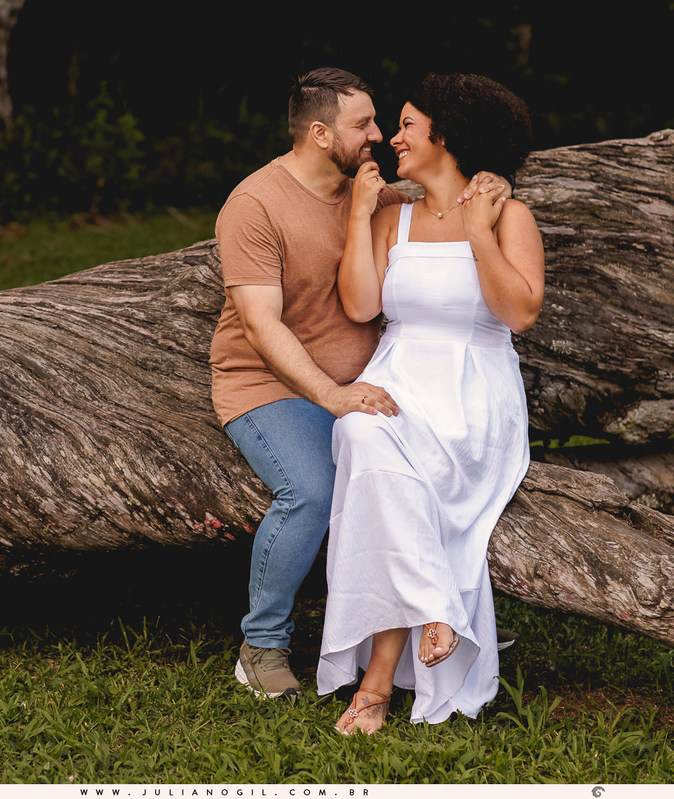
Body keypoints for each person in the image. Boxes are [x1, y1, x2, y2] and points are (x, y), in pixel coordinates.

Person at [209, 67, 511, 699]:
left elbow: (443, 212)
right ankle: (261, 644)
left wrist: (493, 181)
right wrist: (332, 396)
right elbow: (261, 327)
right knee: (312, 489)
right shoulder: (255, 204)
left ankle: (438, 616)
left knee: (419, 467)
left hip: (369, 386)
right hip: (270, 388)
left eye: (381, 121)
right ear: (320, 133)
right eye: (362, 124)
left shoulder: (374, 196)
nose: (377, 135)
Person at [317, 72, 543, 734]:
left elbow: (518, 313)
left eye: (410, 124)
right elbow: (361, 304)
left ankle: (377, 683)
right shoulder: (393, 216)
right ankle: (437, 601)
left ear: (449, 134)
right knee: (362, 435)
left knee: (392, 473)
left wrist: (478, 232)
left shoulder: (509, 215)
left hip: (473, 395)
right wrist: (360, 215)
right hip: (398, 380)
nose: (394, 137)